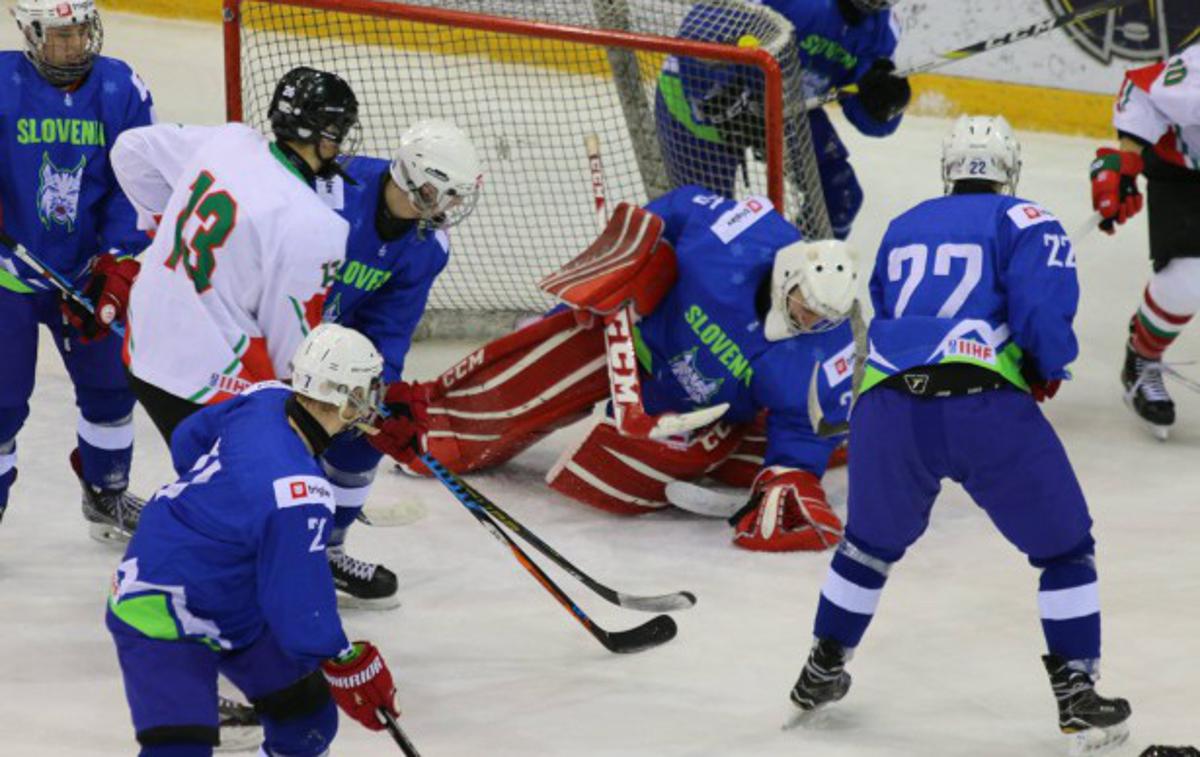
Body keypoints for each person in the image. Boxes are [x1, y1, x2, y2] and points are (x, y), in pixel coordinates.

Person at [788, 116, 1131, 754]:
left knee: (865, 547)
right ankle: (1076, 688)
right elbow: (1041, 313)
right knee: (1064, 551)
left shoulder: (903, 224)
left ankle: (821, 669)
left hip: (889, 407)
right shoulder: (1028, 220)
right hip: (984, 410)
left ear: (951, 170)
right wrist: (1044, 367)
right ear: (1010, 171)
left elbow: (888, 310)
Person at [371, 185, 858, 552]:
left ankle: (795, 453)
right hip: (634, 338)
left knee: (648, 469)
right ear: (789, 277)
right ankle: (441, 429)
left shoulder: (822, 351)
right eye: (805, 305)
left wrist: (790, 473)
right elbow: (679, 207)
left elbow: (804, 424)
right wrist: (628, 256)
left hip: (707, 415)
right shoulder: (740, 238)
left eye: (822, 317)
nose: (809, 320)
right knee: (550, 351)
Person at [109, 64, 358, 742]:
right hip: (202, 376)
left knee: (213, 487)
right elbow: (295, 357)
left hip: (143, 340)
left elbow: (129, 153)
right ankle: (222, 647)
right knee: (248, 499)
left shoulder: (228, 142)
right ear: (322, 136)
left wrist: (160, 234)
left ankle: (191, 596)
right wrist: (322, 414)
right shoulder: (313, 223)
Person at [106, 324, 400, 756]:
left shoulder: (265, 398)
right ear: (347, 396)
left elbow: (190, 438)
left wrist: (223, 506)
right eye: (369, 388)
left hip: (224, 587)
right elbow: (299, 609)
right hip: (161, 601)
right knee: (179, 749)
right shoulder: (299, 493)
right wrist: (347, 660)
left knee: (306, 720)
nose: (374, 400)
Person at [0, 0, 154, 538]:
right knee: (0, 403)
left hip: (85, 273)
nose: (75, 45)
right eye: (61, 35)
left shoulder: (121, 88)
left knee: (112, 389)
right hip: (7, 277)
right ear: (30, 32)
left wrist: (115, 259)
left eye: (82, 31)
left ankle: (105, 494)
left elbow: (135, 183)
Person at [313, 118, 483, 607]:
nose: (449, 207)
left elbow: (388, 328)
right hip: (267, 329)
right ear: (414, 177)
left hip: (323, 346)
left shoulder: (427, 246)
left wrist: (377, 392)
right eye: (443, 193)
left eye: (456, 197)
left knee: (368, 427)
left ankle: (327, 548)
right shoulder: (331, 190)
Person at [654, 0, 910, 239]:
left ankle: (799, 272)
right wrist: (718, 95)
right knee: (709, 223)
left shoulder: (883, 30)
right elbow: (704, 24)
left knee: (840, 198)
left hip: (788, 105)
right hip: (696, 98)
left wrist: (882, 105)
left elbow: (868, 114)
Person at [1089, 42, 1200, 440]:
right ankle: (1142, 355)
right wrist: (1126, 161)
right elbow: (1142, 90)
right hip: (1187, 176)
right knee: (1189, 282)